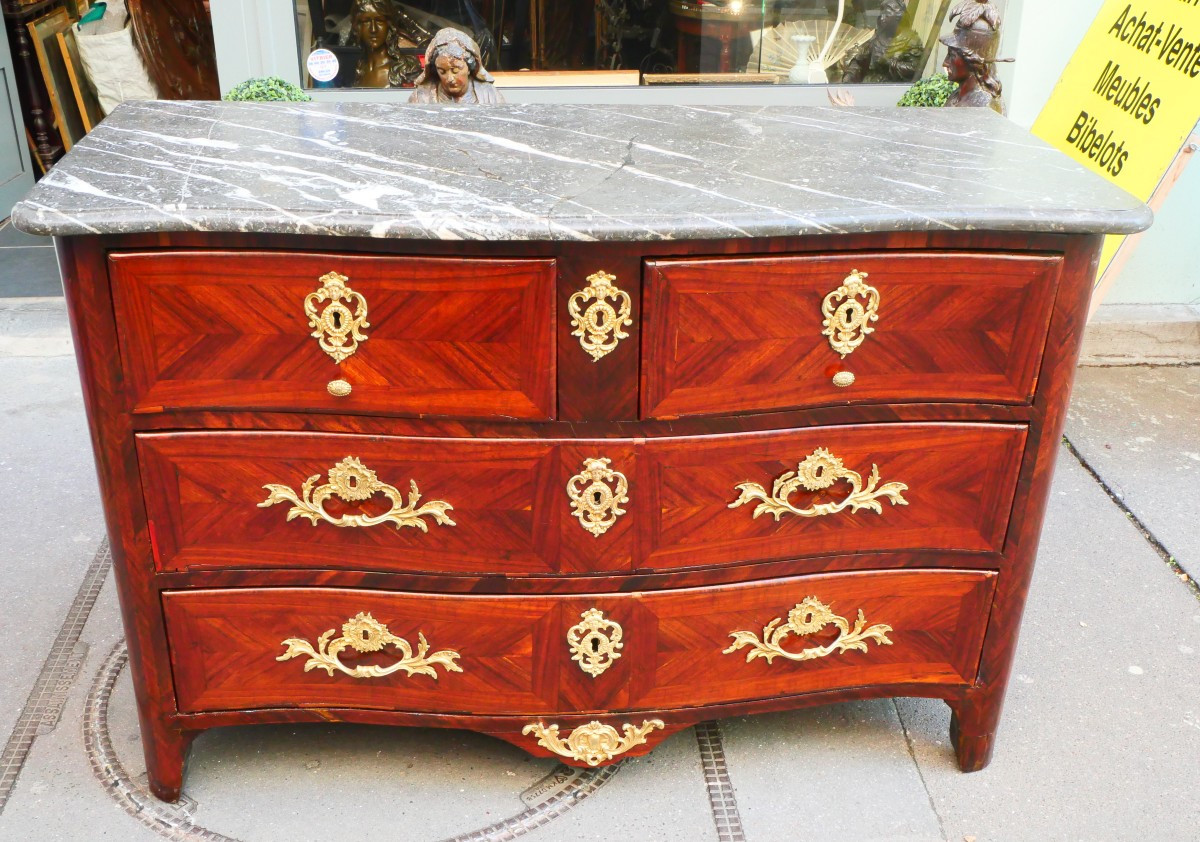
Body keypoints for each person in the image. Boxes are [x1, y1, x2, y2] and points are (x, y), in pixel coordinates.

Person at [408, 28, 504, 104]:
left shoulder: (490, 96)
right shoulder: (421, 97)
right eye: (442, 72)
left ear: (469, 67)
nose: (450, 79)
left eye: (455, 70)